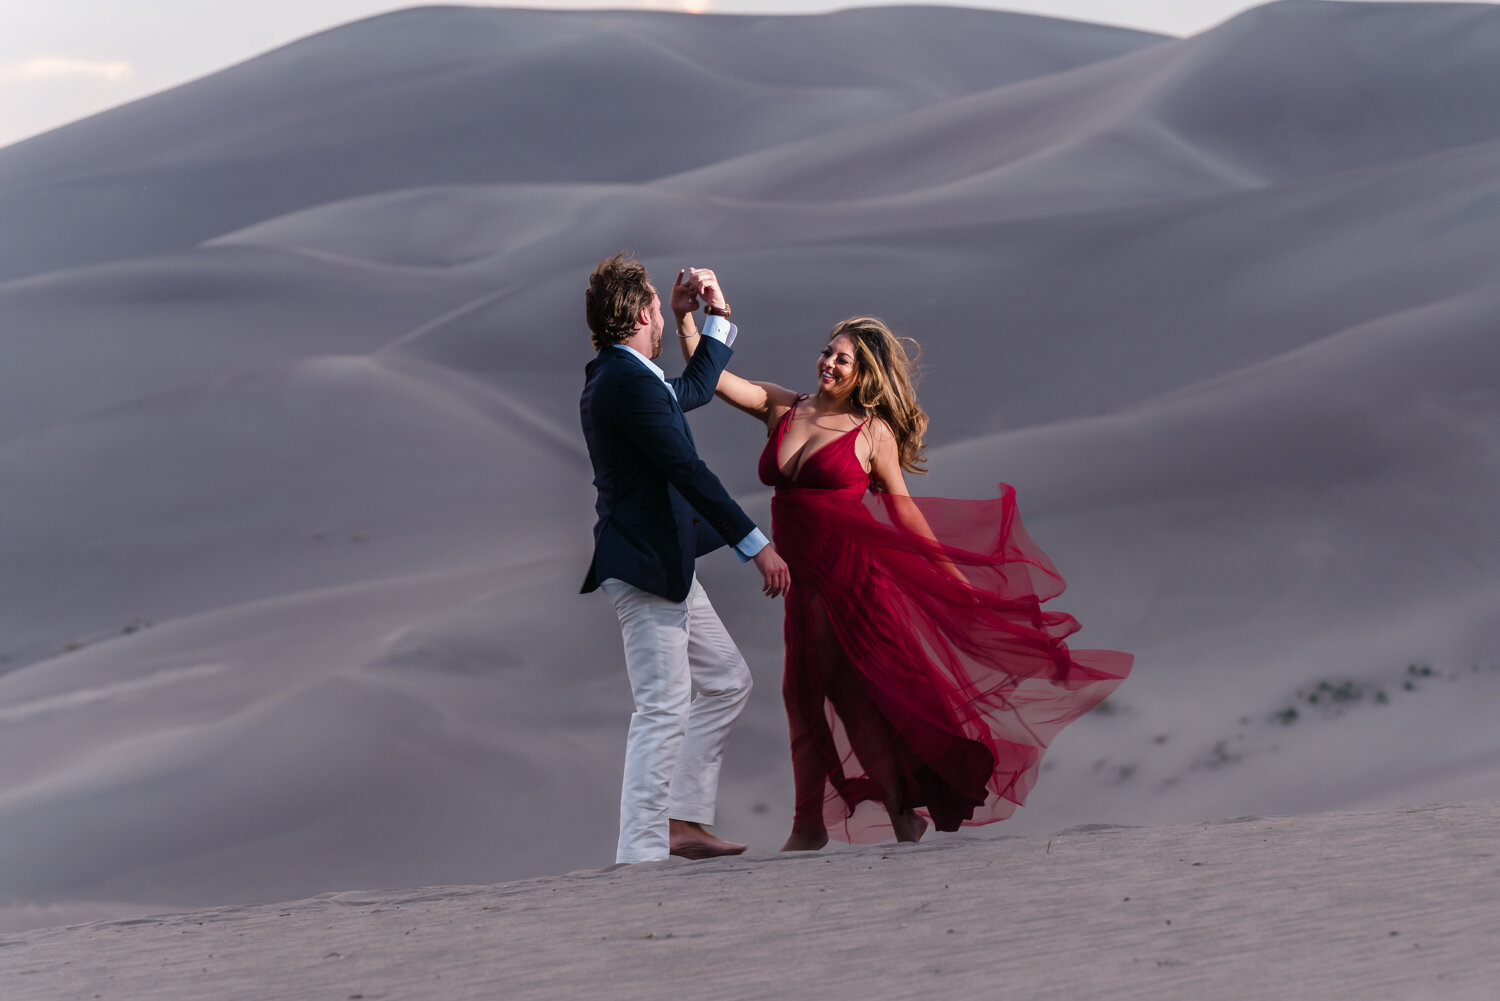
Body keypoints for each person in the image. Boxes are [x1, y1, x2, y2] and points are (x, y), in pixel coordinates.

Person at [675, 271, 1132, 850]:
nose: (829, 365)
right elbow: (710, 378)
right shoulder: (783, 407)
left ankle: (809, 827)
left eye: (843, 360)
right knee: (823, 693)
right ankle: (891, 813)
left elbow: (905, 513)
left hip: (851, 579)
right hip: (803, 582)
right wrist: (691, 315)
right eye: (827, 353)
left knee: (823, 691)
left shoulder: (873, 433)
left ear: (865, 374)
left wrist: (953, 576)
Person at [580, 252, 791, 864]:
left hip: (664, 565)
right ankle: (640, 856)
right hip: (645, 567)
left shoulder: (627, 377)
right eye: (658, 306)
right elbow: (687, 470)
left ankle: (683, 820)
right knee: (662, 707)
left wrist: (710, 316)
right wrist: (757, 545)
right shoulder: (623, 383)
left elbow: (695, 389)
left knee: (726, 680)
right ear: (642, 311)